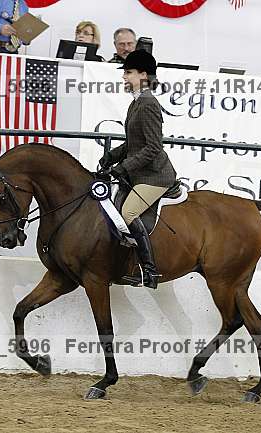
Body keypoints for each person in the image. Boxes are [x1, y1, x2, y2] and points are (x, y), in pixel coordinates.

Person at [99, 50, 177, 289]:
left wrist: (123, 168)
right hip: (140, 173)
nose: (124, 77)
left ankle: (149, 271)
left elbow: (153, 147)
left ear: (143, 75)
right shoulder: (136, 102)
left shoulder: (148, 104)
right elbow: (134, 143)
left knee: (128, 213)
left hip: (155, 176)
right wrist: (111, 157)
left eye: (128, 72)